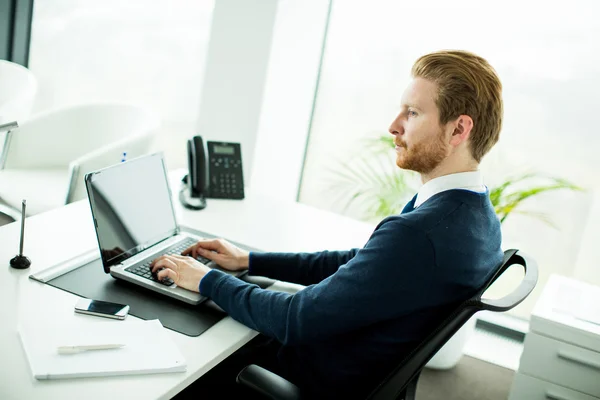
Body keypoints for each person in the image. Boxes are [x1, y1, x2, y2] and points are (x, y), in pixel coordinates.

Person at [152, 50, 504, 399]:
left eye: (412, 113)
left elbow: (295, 319)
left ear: (459, 128)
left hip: (306, 377)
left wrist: (206, 278)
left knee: (178, 354)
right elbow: (363, 262)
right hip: (351, 367)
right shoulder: (476, 216)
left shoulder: (421, 233)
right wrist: (250, 261)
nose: (394, 125)